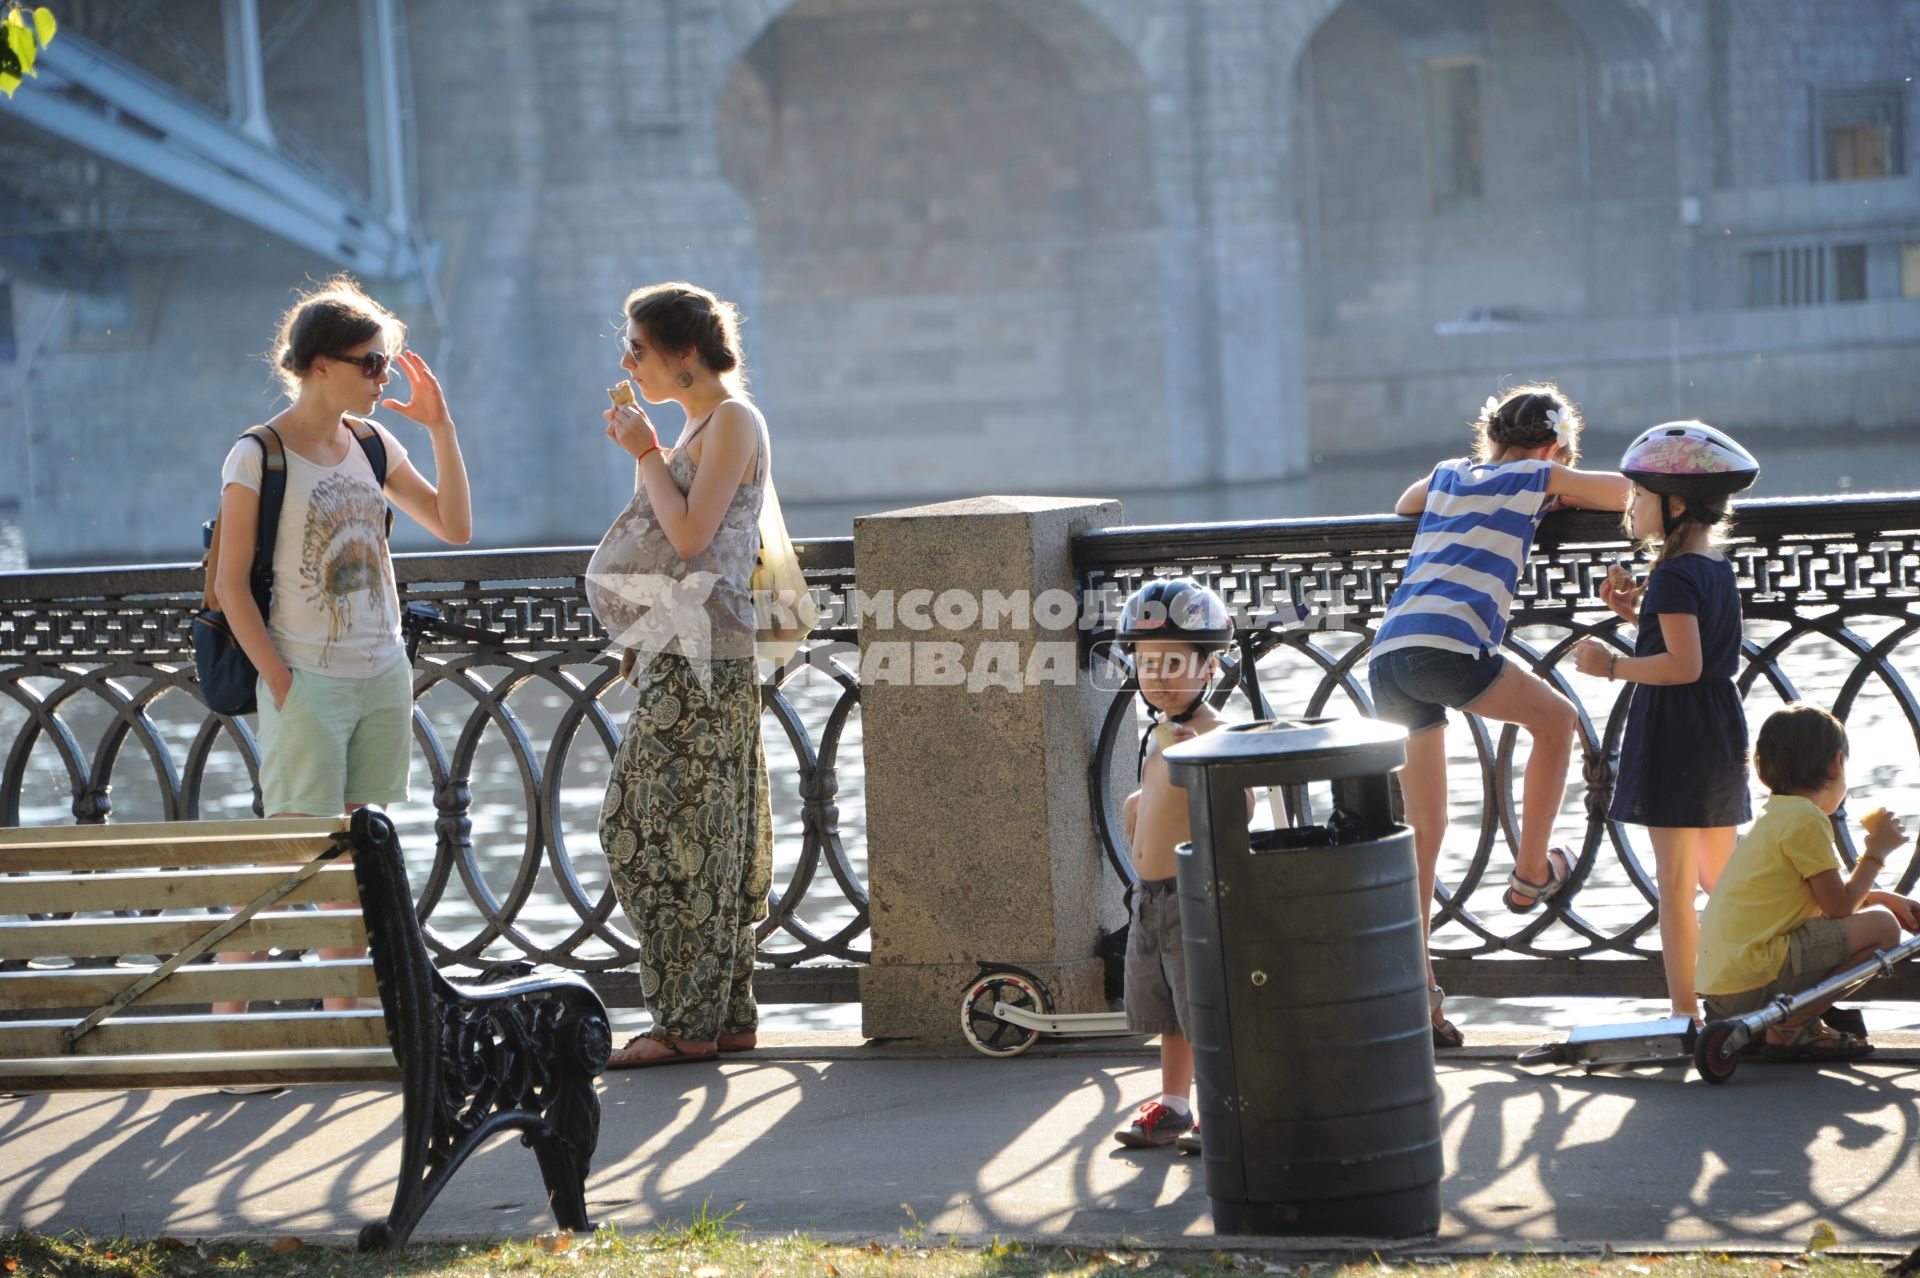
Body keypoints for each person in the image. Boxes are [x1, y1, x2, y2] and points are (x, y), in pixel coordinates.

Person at [211, 275, 472, 1015]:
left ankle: (348, 1032)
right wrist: (281, 682)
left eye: (386, 361)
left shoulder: (371, 441)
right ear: (319, 364)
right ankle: (225, 1030)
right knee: (286, 868)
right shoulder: (258, 455)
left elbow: (454, 527)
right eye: (371, 362)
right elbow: (231, 586)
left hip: (381, 675)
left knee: (355, 873)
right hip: (308, 682)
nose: (382, 376)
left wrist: (440, 427)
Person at [1368, 385, 1632, 1047]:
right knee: (1557, 721)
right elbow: (1634, 494)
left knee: (1424, 832)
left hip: (1391, 652)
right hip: (1452, 646)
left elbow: (1405, 503)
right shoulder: (1541, 473)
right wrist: (1561, 485)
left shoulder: (1452, 474)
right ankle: (1531, 871)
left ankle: (1417, 999)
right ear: (1555, 446)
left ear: (1490, 439)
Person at [587, 282, 774, 1068]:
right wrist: (652, 453)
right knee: (700, 833)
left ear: (684, 353)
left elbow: (693, 536)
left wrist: (644, 455)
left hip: (703, 652)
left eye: (637, 346)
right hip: (679, 644)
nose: (627, 361)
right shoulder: (701, 422)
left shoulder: (732, 419)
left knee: (656, 834)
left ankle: (685, 1024)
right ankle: (721, 1015)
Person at [1571, 423, 1760, 1021]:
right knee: (1722, 882)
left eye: (1640, 494)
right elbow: (1694, 653)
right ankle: (1752, 993)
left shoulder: (1675, 573)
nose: (1631, 505)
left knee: (1676, 888)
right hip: (1716, 725)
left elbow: (1681, 665)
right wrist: (1637, 615)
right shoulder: (1711, 564)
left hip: (1677, 733)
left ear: (1675, 503)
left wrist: (1611, 666)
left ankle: (1689, 1014)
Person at [1696, 704, 1918, 1060]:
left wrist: (1881, 897)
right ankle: (1791, 1025)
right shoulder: (1807, 819)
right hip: (1754, 977)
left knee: (1880, 915)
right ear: (1834, 764)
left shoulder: (1776, 814)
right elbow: (1838, 907)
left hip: (1723, 990)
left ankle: (1786, 1022)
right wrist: (1876, 854)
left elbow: (1815, 904)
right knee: (1885, 929)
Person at [1111, 579, 1235, 1152]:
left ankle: (1225, 1105)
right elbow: (1158, 792)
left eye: (1174, 663)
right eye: (1146, 662)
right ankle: (1176, 1103)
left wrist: (1198, 760)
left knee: (1205, 1007)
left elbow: (1244, 804)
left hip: (1194, 895)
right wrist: (1141, 801)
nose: (1157, 675)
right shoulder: (1162, 734)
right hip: (1151, 898)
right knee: (1170, 1011)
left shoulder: (1210, 733)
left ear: (1209, 668)